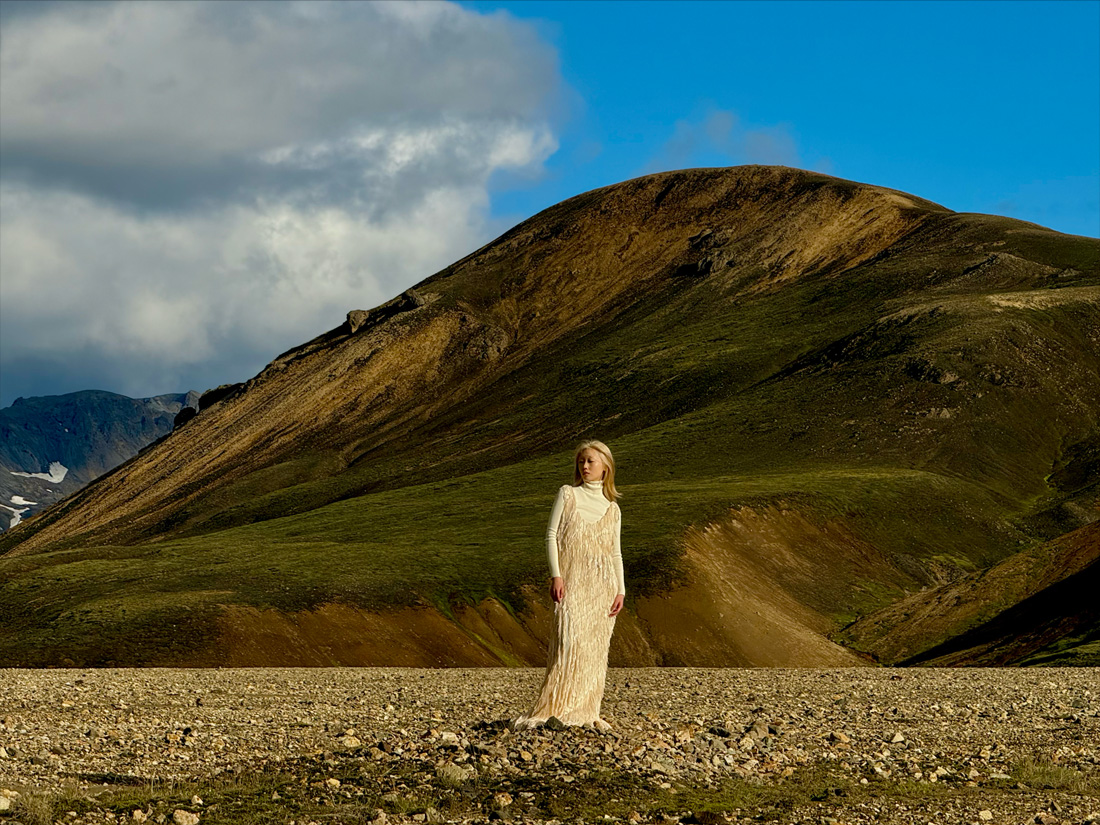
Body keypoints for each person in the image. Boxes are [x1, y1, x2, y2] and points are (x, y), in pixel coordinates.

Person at [511, 439, 626, 731]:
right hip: (573, 581)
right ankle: (557, 706)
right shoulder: (568, 494)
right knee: (568, 642)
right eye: (581, 462)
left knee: (594, 650)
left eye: (590, 461)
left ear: (606, 467)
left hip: (602, 586)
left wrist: (621, 589)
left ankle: (586, 709)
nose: (585, 466)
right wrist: (557, 575)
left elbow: (615, 552)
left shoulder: (612, 509)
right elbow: (551, 535)